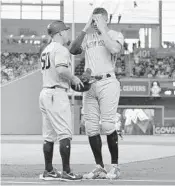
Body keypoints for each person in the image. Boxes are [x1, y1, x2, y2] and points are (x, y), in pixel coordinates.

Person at [70, 7, 124, 179]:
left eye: (97, 19)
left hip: (108, 80)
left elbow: (115, 49)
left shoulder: (115, 34)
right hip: (90, 83)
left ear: (105, 19)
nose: (94, 22)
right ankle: (99, 166)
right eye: (93, 19)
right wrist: (86, 28)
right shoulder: (88, 36)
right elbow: (73, 49)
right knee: (90, 127)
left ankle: (114, 166)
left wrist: (101, 29)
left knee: (108, 125)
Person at [39, 20, 83, 181]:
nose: (66, 33)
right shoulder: (60, 49)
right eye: (65, 31)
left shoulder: (46, 50)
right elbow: (61, 69)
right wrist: (74, 78)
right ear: (59, 33)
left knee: (49, 135)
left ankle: (49, 170)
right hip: (56, 94)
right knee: (65, 133)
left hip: (45, 92)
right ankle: (67, 171)